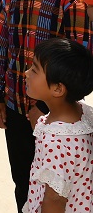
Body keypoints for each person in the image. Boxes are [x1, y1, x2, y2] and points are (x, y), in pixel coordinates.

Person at [0, 0, 91, 212]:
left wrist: (44, 108)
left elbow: (79, 64)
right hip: (14, 106)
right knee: (24, 181)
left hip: (53, 117)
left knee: (55, 191)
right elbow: (1, 47)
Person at [23, 38, 93, 213]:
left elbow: (54, 199)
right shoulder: (84, 113)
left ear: (58, 89)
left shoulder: (56, 142)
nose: (26, 73)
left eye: (34, 70)